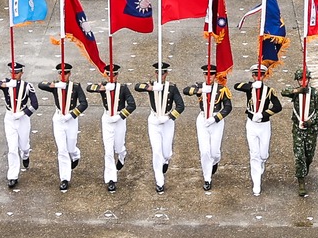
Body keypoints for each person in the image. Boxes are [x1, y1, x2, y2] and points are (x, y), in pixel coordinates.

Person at [134, 61, 186, 194]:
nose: (160, 76)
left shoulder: (172, 88)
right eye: (157, 73)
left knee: (166, 152)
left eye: (162, 73)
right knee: (156, 152)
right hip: (154, 121)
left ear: (166, 74)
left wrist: (170, 117)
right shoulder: (150, 84)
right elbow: (137, 87)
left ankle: (166, 161)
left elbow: (180, 106)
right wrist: (149, 88)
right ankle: (160, 182)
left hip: (167, 121)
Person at [38, 60, 88, 191]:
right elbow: (40, 85)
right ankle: (64, 178)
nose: (63, 76)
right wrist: (55, 85)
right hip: (59, 119)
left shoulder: (76, 87)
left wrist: (72, 114)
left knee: (70, 148)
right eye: (61, 73)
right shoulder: (56, 85)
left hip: (71, 119)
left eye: (65, 73)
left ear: (69, 74)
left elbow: (84, 103)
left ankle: (76, 154)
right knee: (62, 150)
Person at [234, 64, 281, 196]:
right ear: (253, 76)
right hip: (251, 124)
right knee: (254, 154)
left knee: (263, 154)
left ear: (264, 76)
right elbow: (236, 86)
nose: (257, 77)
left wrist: (264, 114)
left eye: (260, 75)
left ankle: (262, 162)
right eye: (255, 75)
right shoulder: (249, 88)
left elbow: (278, 106)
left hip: (264, 125)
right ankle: (256, 183)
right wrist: (251, 86)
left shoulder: (269, 90)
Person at [87, 64, 135, 192]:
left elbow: (132, 105)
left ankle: (122, 154)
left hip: (119, 119)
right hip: (107, 119)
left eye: (113, 74)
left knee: (118, 147)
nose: (111, 77)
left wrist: (121, 116)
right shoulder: (104, 86)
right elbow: (89, 88)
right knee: (108, 151)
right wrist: (100, 88)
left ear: (117, 75)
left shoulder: (123, 88)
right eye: (108, 74)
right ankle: (111, 179)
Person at [185, 63, 231, 191]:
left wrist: (215, 118)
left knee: (214, 152)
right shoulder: (200, 86)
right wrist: (200, 91)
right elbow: (186, 91)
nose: (209, 77)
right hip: (203, 119)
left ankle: (215, 161)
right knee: (204, 151)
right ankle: (207, 179)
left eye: (211, 74)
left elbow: (228, 107)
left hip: (216, 120)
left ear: (215, 75)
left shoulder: (221, 89)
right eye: (206, 74)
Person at [0, 60, 37, 189]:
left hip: (22, 118)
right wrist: (5, 84)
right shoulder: (7, 83)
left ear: (21, 73)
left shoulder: (27, 86)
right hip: (10, 117)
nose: (14, 74)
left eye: (16, 72)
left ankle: (26, 154)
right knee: (12, 148)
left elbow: (35, 105)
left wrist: (24, 113)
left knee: (23, 146)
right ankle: (13, 176)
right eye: (12, 72)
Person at [289, 70, 318, 197]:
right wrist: (297, 91)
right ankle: (301, 181)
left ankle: (305, 168)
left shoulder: (314, 94)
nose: (303, 81)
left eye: (305, 79)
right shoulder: (295, 93)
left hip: (311, 130)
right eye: (300, 79)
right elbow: (284, 92)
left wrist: (311, 122)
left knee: (308, 155)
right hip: (298, 129)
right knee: (299, 155)